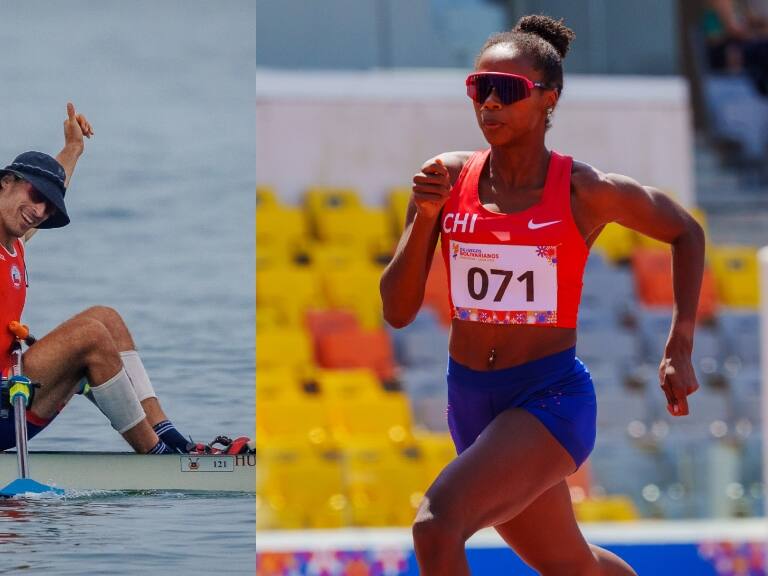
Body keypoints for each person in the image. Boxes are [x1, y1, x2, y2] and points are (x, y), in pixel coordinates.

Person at [380, 15, 704, 576]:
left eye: (508, 91)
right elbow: (398, 311)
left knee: (437, 526)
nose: (490, 105)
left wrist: (679, 343)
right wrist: (425, 218)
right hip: (472, 402)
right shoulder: (446, 181)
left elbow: (685, 230)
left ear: (548, 99)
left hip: (548, 400)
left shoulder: (587, 191)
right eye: (480, 89)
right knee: (574, 567)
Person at [0, 103, 250, 456]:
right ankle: (157, 457)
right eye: (35, 196)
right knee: (89, 336)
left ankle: (172, 439)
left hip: (14, 396)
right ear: (5, 183)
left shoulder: (14, 243)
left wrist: (73, 149)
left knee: (106, 319)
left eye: (49, 207)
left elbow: (52, 189)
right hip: (4, 402)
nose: (39, 211)